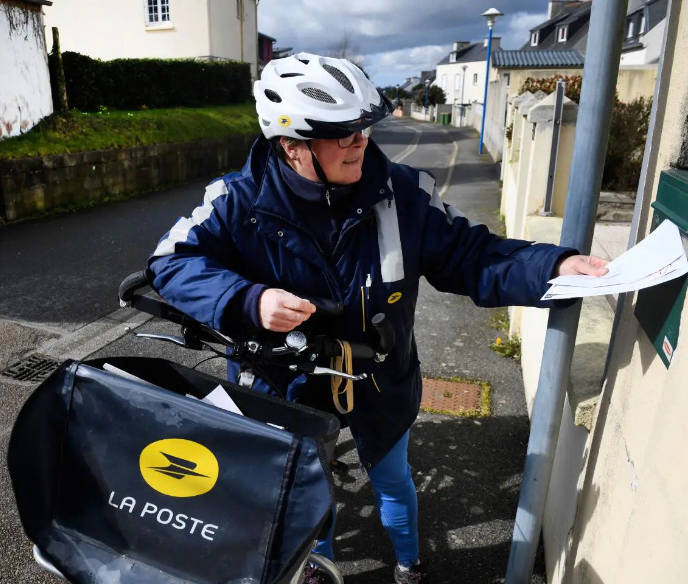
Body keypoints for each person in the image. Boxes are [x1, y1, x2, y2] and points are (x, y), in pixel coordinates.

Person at [147, 53, 608, 584]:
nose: (360, 142)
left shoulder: (404, 194)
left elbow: (473, 256)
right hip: (282, 384)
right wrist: (249, 301)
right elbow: (170, 261)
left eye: (363, 129)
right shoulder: (235, 200)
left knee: (393, 481)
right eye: (341, 134)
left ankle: (410, 565)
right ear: (292, 145)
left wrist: (556, 265)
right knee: (302, 488)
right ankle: (314, 568)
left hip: (379, 382)